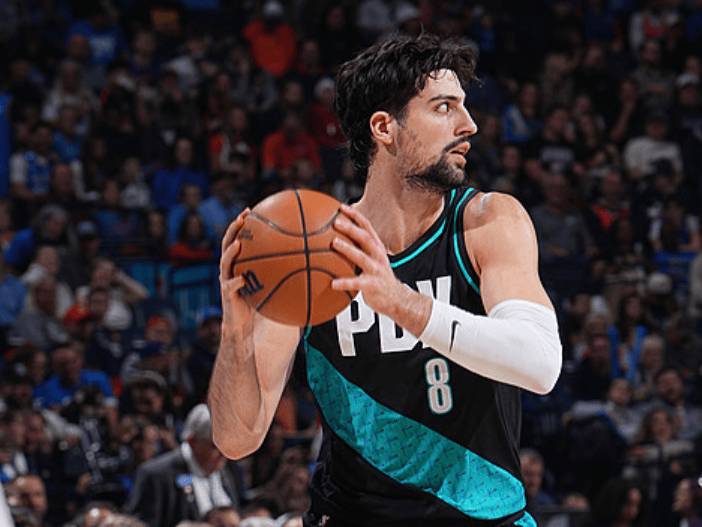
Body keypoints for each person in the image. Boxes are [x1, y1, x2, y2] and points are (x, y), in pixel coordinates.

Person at [210, 33, 562, 526]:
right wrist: (235, 332)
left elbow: (541, 364)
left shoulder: (486, 222)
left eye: (464, 106)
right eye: (444, 107)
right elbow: (236, 439)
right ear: (384, 127)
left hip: (481, 517)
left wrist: (399, 302)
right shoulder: (312, 251)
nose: (469, 125)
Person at [123, 404, 245, 527]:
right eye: (215, 447)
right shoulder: (156, 475)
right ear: (192, 441)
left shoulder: (228, 468)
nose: (224, 454)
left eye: (227, 446)